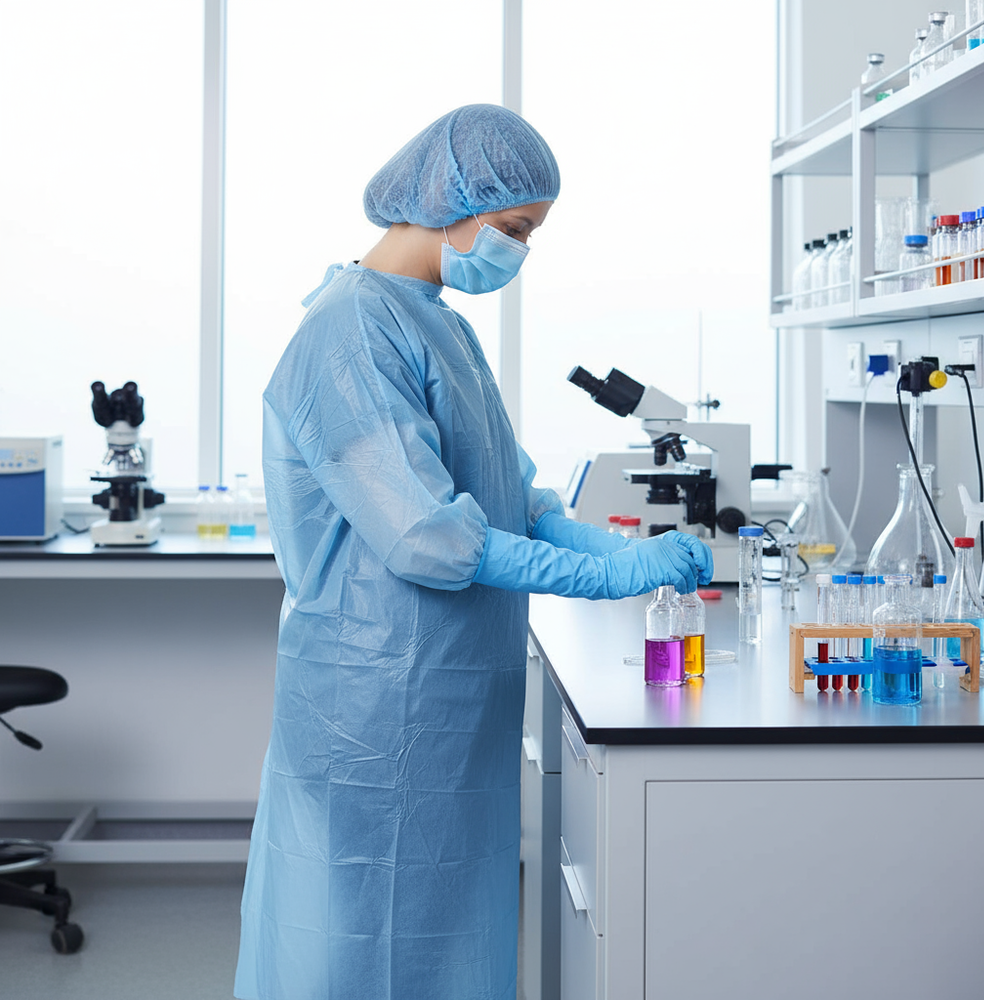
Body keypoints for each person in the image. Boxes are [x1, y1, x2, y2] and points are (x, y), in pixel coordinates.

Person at [234, 104, 712, 1000]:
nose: (521, 252)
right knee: (365, 933)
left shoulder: (437, 322)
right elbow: (423, 535)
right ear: (451, 200)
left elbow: (511, 496)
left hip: (445, 687)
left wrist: (618, 548)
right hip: (373, 698)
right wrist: (608, 575)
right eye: (516, 229)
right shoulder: (348, 332)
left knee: (439, 929)